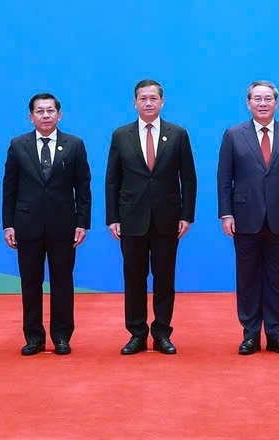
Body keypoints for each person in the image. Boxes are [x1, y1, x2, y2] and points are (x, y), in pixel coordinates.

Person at [105, 79, 197, 355]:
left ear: (162, 102)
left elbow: (188, 179)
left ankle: (162, 334)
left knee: (164, 278)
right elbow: (112, 180)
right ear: (135, 102)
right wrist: (113, 217)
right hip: (131, 218)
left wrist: (186, 215)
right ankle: (136, 333)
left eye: (153, 98)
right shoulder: (121, 135)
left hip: (167, 219)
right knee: (133, 277)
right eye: (143, 98)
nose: (148, 103)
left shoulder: (178, 134)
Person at [217, 80, 279, 356]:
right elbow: (224, 178)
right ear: (248, 103)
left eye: (268, 99)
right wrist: (226, 213)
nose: (263, 103)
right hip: (244, 217)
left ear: (276, 103)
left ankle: (276, 332)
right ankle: (250, 334)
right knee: (247, 278)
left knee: (278, 278)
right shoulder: (234, 134)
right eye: (257, 99)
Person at [2, 93, 91, 356]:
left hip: (64, 226)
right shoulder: (18, 145)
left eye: (50, 111)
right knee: (30, 283)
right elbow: (9, 188)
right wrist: (8, 224)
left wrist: (82, 222)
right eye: (39, 111)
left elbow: (83, 188)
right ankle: (34, 337)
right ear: (31, 117)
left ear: (59, 115)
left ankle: (62, 336)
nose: (45, 116)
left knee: (62, 282)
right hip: (26, 225)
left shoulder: (74, 144)